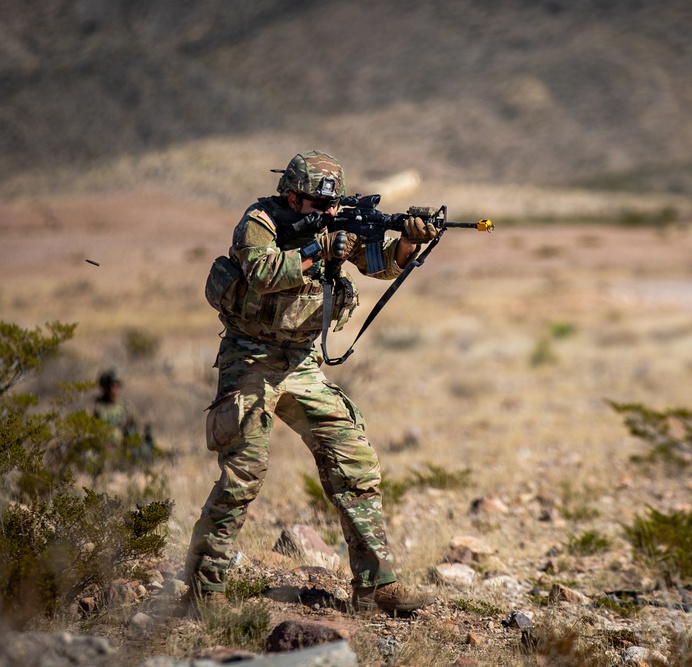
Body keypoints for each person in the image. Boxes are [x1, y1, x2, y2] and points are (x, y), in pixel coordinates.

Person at [184, 150, 438, 614]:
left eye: (332, 207)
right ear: (292, 197)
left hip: (299, 363)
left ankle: (376, 588)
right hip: (251, 359)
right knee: (244, 475)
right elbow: (261, 274)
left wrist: (406, 243)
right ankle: (204, 592)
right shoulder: (260, 221)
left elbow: (377, 263)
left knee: (354, 462)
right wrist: (316, 249)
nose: (326, 215)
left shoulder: (336, 224)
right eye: (316, 207)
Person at [93, 367, 156, 466]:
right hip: (102, 447)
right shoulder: (95, 406)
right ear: (104, 387)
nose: (113, 389)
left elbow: (138, 425)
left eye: (115, 385)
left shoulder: (125, 407)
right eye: (110, 385)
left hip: (122, 448)